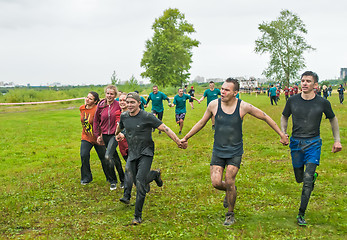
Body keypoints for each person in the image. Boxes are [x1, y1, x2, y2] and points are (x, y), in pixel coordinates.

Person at [181, 78, 288, 226]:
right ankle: (231, 190)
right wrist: (186, 137)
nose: (222, 92)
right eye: (222, 89)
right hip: (218, 150)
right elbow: (201, 122)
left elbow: (264, 116)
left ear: (235, 93)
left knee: (230, 179)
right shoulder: (213, 105)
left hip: (235, 151)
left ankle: (230, 213)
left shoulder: (243, 106)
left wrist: (281, 134)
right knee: (216, 182)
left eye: (226, 90)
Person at [281, 71, 342, 227]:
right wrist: (284, 132)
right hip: (295, 143)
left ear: (315, 85)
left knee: (307, 181)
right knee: (299, 178)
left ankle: (301, 213)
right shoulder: (292, 100)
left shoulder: (323, 102)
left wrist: (337, 140)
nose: (304, 83)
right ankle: (312, 175)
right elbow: (284, 116)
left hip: (314, 143)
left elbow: (333, 119)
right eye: (302, 80)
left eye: (308, 81)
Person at [115, 92, 184, 225]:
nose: (129, 105)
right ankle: (155, 174)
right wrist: (117, 134)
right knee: (134, 178)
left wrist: (178, 141)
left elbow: (165, 128)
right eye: (127, 102)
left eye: (132, 102)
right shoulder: (124, 116)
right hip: (132, 152)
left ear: (139, 103)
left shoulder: (147, 116)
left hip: (146, 152)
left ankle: (137, 216)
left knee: (140, 182)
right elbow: (120, 126)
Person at [79, 91, 117, 186]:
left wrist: (101, 136)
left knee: (104, 158)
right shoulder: (82, 108)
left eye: (90, 98)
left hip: (98, 137)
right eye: (87, 97)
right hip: (86, 137)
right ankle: (86, 178)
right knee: (84, 155)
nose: (87, 99)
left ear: (95, 101)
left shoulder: (98, 109)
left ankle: (110, 178)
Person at [93, 85, 125, 190]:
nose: (109, 96)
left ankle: (113, 181)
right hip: (104, 135)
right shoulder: (101, 105)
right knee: (114, 157)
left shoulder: (118, 105)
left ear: (115, 95)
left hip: (114, 134)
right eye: (107, 93)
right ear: (105, 94)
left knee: (107, 156)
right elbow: (96, 120)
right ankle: (122, 179)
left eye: (111, 94)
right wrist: (98, 135)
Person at [117, 92, 129, 161]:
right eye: (120, 100)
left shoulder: (133, 114)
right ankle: (153, 172)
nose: (122, 102)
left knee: (131, 168)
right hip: (122, 146)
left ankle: (153, 172)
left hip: (132, 145)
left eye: (124, 100)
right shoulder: (117, 114)